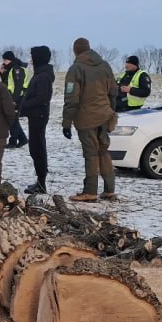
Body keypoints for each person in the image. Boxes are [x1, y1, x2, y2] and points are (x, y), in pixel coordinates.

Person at [61, 37, 118, 202]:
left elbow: (71, 99)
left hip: (86, 119)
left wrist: (66, 123)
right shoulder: (105, 66)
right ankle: (109, 190)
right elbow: (113, 92)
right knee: (104, 151)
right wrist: (110, 112)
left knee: (91, 154)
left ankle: (90, 191)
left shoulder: (76, 69)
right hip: (105, 115)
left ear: (76, 51)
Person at [18, 45, 55, 194]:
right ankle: (40, 181)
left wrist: (23, 105)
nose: (31, 60)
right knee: (35, 148)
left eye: (33, 57)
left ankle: (41, 183)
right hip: (35, 116)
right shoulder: (40, 74)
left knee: (37, 148)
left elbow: (41, 98)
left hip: (38, 116)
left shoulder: (43, 76)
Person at [0, 50, 30, 148]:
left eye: (5, 60)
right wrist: (2, 73)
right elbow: (7, 82)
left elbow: (18, 86)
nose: (4, 62)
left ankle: (13, 142)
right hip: (11, 97)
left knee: (12, 120)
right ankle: (22, 139)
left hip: (17, 98)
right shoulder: (11, 69)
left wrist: (14, 100)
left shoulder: (17, 69)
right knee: (13, 119)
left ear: (10, 59)